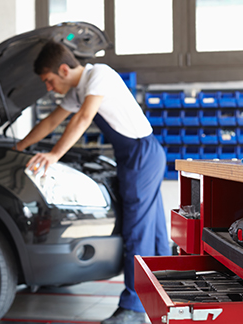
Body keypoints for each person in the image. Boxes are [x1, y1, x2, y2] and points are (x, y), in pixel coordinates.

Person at [16, 40, 171, 324]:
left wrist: (53, 154)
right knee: (154, 231)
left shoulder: (99, 74)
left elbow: (84, 118)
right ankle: (167, 294)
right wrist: (18, 148)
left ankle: (134, 309)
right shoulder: (78, 90)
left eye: (49, 81)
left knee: (137, 231)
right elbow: (51, 121)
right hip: (133, 157)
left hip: (141, 153)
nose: (48, 88)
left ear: (64, 69)